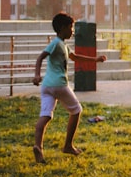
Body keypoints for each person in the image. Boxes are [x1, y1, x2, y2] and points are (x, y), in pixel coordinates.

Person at [32, 12, 106, 163]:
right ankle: (68, 146)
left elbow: (75, 57)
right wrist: (36, 74)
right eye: (71, 27)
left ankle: (38, 147)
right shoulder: (56, 43)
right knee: (76, 110)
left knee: (46, 115)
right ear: (63, 28)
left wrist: (95, 59)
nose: (73, 31)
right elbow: (41, 56)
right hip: (58, 84)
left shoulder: (63, 46)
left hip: (47, 86)